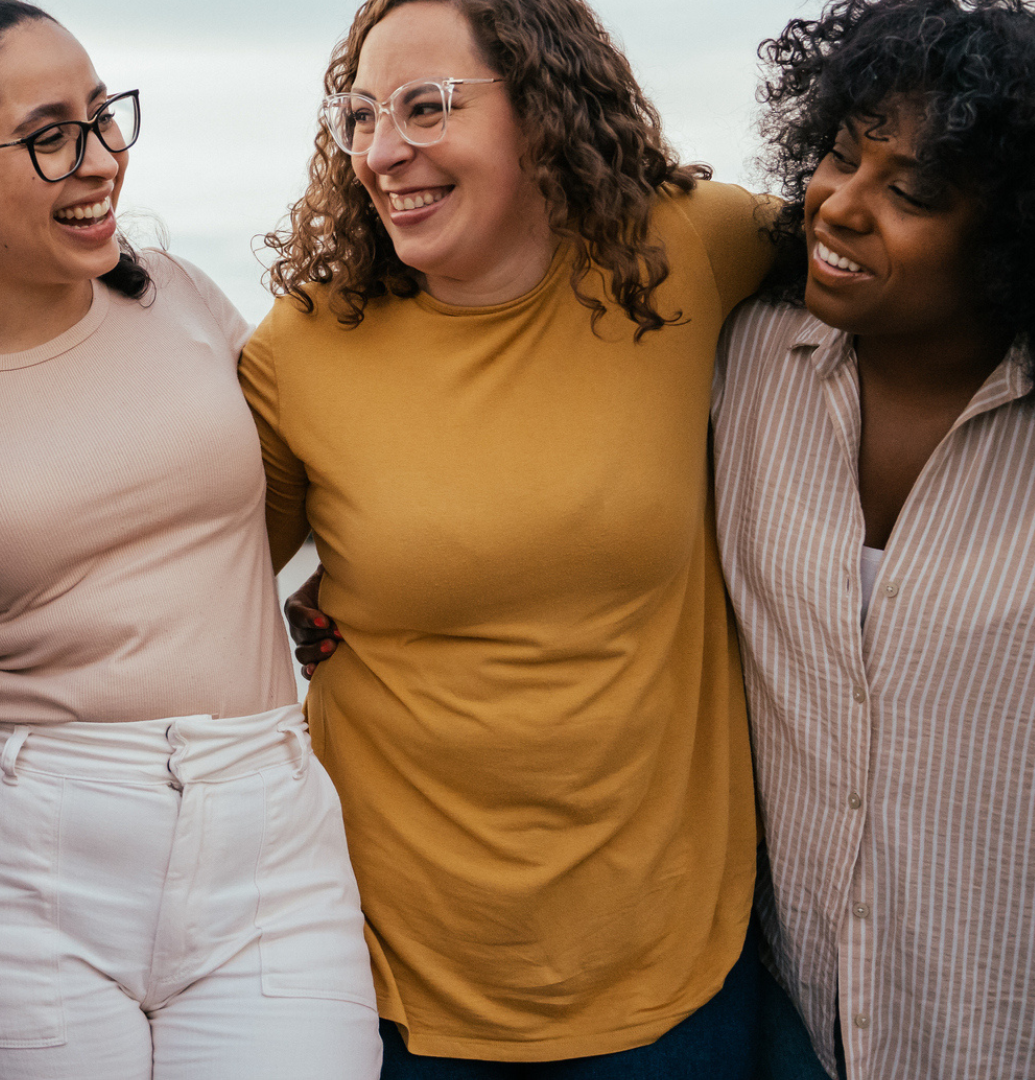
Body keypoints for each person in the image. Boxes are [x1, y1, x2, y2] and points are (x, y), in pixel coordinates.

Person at [0, 3, 383, 1078]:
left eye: (103, 117)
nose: (100, 160)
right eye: (50, 136)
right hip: (19, 873)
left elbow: (315, 478)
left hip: (267, 833)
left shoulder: (179, 297)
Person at [245, 0, 779, 1074]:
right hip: (396, 977)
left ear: (543, 110)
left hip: (676, 965)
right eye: (359, 116)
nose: (382, 152)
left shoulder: (688, 247)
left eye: (426, 108)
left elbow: (920, 257)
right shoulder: (303, 347)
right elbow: (193, 586)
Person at [716, 2, 1035, 1076]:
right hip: (783, 1027)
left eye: (912, 194)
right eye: (840, 158)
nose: (839, 207)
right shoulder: (742, 363)